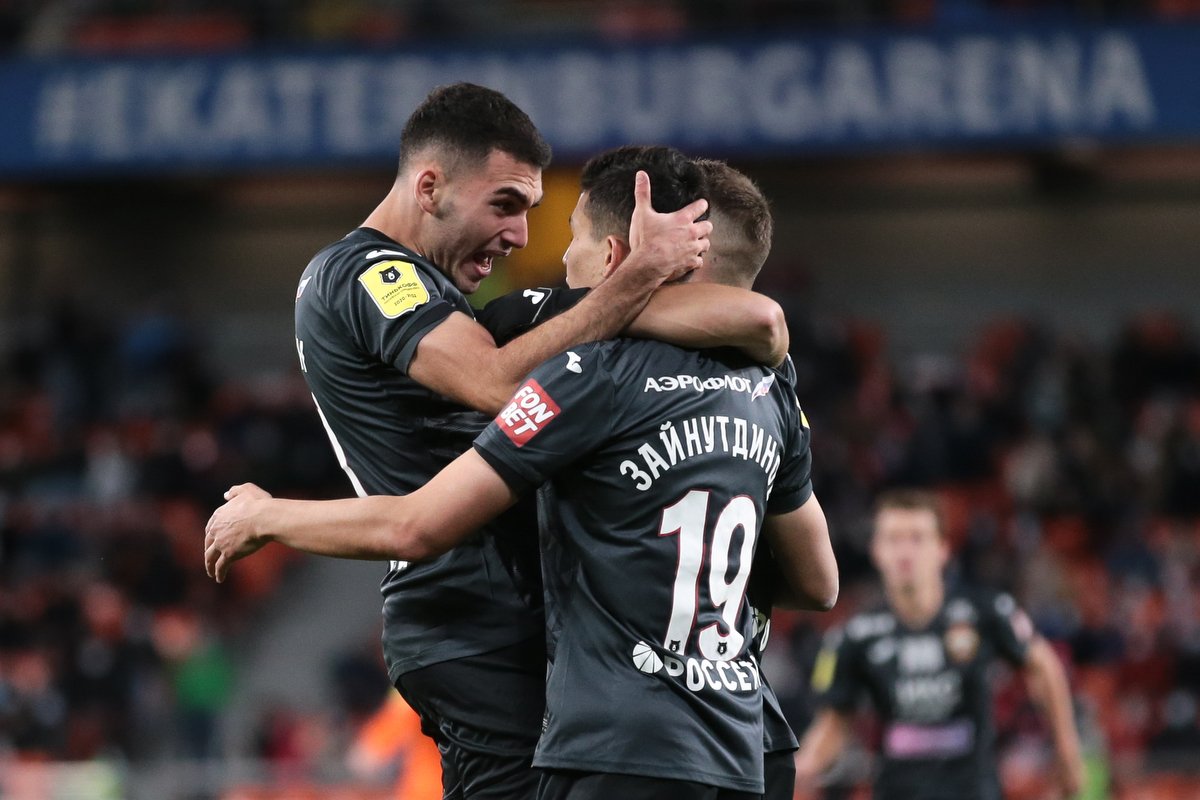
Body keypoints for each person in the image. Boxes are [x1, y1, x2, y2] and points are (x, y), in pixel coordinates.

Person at [206, 145, 839, 799]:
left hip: (622, 741)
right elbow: (819, 583)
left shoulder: (589, 375)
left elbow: (418, 525)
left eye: (574, 237)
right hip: (750, 740)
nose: (559, 259)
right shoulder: (774, 390)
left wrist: (268, 515)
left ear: (617, 257)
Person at [794, 489, 1085, 800]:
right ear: (876, 550)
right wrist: (798, 771)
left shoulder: (987, 611)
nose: (905, 551)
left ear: (943, 548)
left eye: (917, 538)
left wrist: (1067, 751)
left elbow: (1044, 665)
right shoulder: (854, 636)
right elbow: (834, 724)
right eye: (893, 539)